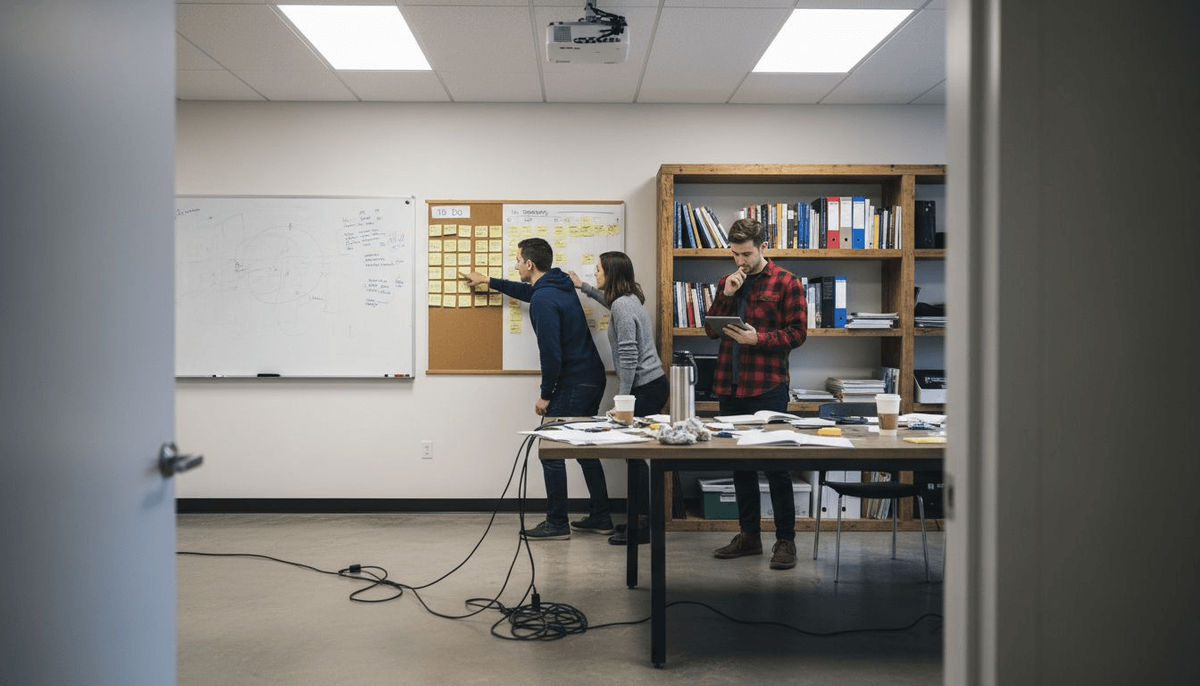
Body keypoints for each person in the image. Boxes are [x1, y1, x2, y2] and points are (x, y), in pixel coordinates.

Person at [462, 237, 612, 540]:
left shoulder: (545, 299)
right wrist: (488, 280)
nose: (516, 264)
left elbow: (551, 354)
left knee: (550, 450)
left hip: (575, 381)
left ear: (530, 264)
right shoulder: (558, 284)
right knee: (584, 449)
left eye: (518, 260)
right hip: (591, 376)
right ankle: (601, 516)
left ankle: (557, 523)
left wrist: (545, 395)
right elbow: (528, 292)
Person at [703, 218, 807, 570]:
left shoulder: (787, 282)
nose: (740, 262)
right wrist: (727, 295)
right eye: (735, 254)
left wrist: (757, 339)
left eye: (746, 254)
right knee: (740, 467)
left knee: (777, 468)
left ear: (763, 246)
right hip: (730, 386)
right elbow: (709, 330)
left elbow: (797, 334)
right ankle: (749, 536)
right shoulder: (727, 282)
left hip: (768, 387)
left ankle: (786, 541)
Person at [568, 251, 667, 545]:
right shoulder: (627, 300)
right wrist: (583, 287)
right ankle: (640, 521)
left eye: (598, 271)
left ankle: (643, 527)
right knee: (634, 457)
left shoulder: (623, 307)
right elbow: (608, 303)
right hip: (651, 384)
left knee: (635, 458)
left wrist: (622, 403)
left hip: (644, 388)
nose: (594, 275)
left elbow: (628, 355)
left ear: (611, 274)